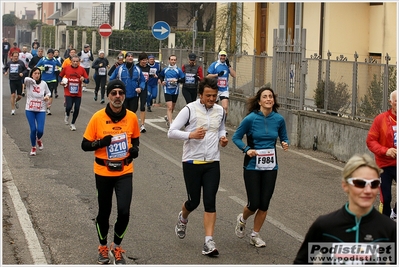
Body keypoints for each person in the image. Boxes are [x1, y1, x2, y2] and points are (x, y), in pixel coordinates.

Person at [293, 153, 396, 264]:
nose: (368, 190)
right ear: (345, 185)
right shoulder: (325, 225)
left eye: (374, 184)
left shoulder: (390, 229)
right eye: (360, 183)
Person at [81, 79, 140, 265]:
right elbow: (84, 145)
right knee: (104, 212)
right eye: (113, 93)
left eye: (120, 93)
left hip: (124, 171)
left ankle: (117, 246)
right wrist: (100, 143)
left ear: (124, 95)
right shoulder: (97, 117)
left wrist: (134, 151)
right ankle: (102, 246)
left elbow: (136, 142)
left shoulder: (131, 117)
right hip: (103, 172)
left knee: (124, 211)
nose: (117, 96)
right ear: (108, 95)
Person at [168, 77, 228, 257]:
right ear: (200, 95)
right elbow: (171, 132)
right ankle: (183, 217)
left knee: (210, 201)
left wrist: (222, 138)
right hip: (192, 162)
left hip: (212, 163)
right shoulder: (189, 109)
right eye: (208, 96)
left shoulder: (219, 110)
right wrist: (190, 135)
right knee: (194, 202)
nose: (211, 99)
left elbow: (220, 128)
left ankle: (208, 241)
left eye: (214, 96)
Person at [232, 86, 289, 248]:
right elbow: (236, 137)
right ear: (259, 101)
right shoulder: (251, 119)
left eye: (270, 96)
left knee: (264, 204)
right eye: (265, 97)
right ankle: (242, 219)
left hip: (271, 166)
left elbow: (284, 137)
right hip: (252, 166)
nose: (268, 99)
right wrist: (247, 149)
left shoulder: (278, 119)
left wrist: (285, 143)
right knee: (254, 203)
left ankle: (255, 235)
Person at [366, 90, 397, 220]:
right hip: (384, 165)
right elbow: (371, 141)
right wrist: (386, 151)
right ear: (391, 103)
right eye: (396, 101)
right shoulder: (381, 119)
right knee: (386, 197)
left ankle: (394, 212)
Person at [206, 50, 236, 133]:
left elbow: (234, 75)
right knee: (213, 108)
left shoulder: (227, 66)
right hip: (215, 89)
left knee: (225, 108)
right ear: (219, 56)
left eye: (224, 56)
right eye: (221, 56)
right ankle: (213, 125)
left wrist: (229, 65)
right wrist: (217, 75)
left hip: (224, 90)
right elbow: (208, 76)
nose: (222, 57)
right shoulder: (214, 64)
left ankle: (222, 127)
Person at [24, 67, 51, 156]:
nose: (37, 75)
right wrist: (32, 80)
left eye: (38, 73)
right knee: (33, 129)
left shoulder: (43, 83)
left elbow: (49, 92)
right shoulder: (29, 82)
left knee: (40, 130)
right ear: (32, 74)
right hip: (30, 109)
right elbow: (25, 79)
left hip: (41, 110)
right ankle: (33, 147)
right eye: (35, 73)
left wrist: (47, 96)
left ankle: (38, 139)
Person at [109, 52, 146, 117]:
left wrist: (140, 87)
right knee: (124, 112)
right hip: (123, 95)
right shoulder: (119, 68)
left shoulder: (137, 69)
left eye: (132, 56)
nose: (130, 57)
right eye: (128, 56)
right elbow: (111, 79)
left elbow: (142, 80)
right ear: (125, 58)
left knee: (132, 113)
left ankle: (130, 126)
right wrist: (117, 87)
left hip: (134, 95)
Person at [59, 55, 89, 131]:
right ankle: (67, 114)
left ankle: (72, 123)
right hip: (68, 91)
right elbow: (60, 76)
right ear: (71, 62)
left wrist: (84, 79)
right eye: (74, 61)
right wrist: (61, 82)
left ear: (79, 62)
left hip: (78, 93)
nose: (75, 63)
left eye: (77, 61)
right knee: (69, 106)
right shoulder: (66, 68)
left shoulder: (82, 69)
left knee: (77, 108)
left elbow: (87, 80)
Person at [158, 54, 185, 128]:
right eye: (171, 59)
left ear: (176, 61)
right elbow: (161, 76)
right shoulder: (166, 69)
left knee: (172, 107)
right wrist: (161, 81)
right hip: (167, 90)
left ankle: (167, 117)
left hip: (175, 90)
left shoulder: (178, 70)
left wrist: (177, 80)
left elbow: (183, 79)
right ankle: (171, 124)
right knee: (169, 107)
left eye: (174, 60)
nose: (173, 61)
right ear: (169, 60)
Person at [35, 49, 62, 115]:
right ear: (47, 54)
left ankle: (48, 108)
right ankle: (42, 107)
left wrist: (58, 70)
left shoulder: (55, 60)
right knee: (43, 94)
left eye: (52, 55)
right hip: (44, 79)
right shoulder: (43, 59)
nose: (50, 56)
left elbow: (61, 67)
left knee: (50, 94)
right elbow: (37, 67)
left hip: (52, 79)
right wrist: (43, 68)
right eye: (49, 54)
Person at [135, 52, 150, 133]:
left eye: (145, 60)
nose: (144, 61)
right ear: (140, 60)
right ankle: (133, 123)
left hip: (144, 89)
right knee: (134, 106)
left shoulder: (148, 68)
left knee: (142, 106)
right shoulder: (136, 67)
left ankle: (142, 125)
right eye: (143, 60)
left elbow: (149, 75)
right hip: (136, 88)